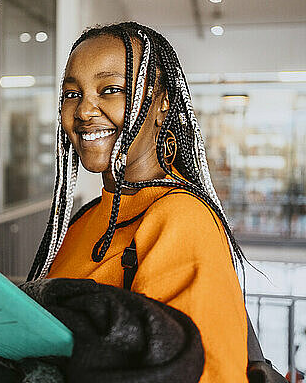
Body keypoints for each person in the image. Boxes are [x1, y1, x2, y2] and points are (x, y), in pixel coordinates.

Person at [25, 22, 249, 382]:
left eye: (110, 89)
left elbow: (206, 373)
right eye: (71, 94)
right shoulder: (85, 220)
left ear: (162, 105)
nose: (84, 110)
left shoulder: (181, 218)